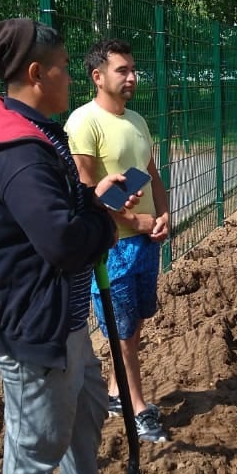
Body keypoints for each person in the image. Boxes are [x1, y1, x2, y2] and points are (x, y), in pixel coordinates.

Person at [0, 18, 142, 474]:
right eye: (65, 67)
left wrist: (97, 197)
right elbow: (63, 241)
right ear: (38, 74)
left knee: (85, 413)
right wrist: (104, 218)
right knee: (35, 442)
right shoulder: (17, 152)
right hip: (29, 321)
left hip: (60, 316)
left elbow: (65, 216)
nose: (71, 77)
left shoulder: (38, 133)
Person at [65, 38, 172, 444]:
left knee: (134, 323)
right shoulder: (83, 122)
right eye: (122, 70)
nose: (132, 77)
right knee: (122, 331)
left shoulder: (136, 121)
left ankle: (114, 391)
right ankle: (136, 406)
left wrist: (162, 216)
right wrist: (135, 221)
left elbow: (152, 174)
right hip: (113, 248)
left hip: (145, 240)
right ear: (97, 76)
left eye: (133, 69)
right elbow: (88, 191)